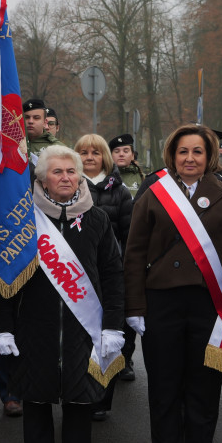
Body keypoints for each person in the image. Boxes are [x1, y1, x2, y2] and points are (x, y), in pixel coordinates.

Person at [124, 123, 222, 443]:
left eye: (197, 152)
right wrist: (134, 306)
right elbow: (133, 255)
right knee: (164, 392)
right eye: (183, 152)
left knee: (203, 392)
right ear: (172, 155)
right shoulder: (153, 195)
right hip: (161, 305)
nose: (190, 159)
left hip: (209, 308)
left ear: (209, 156)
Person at [0, 146, 125, 443]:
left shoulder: (97, 220)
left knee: (80, 404)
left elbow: (113, 275)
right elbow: (5, 278)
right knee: (35, 403)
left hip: (84, 331)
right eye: (57, 172)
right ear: (42, 180)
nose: (65, 177)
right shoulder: (22, 221)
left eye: (71, 171)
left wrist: (113, 325)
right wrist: (2, 326)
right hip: (34, 329)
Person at [75, 133, 135, 417]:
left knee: (107, 336)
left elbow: (129, 235)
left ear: (105, 157)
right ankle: (78, 392)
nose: (89, 157)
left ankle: (101, 398)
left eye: (95, 152)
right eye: (83, 152)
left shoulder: (121, 192)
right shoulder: (68, 187)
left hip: (109, 272)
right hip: (74, 272)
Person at [23, 98, 64, 163]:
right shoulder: (12, 144)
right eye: (27, 117)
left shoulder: (58, 148)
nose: (30, 121)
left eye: (36, 118)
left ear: (45, 122)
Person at [110, 133, 145, 198]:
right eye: (116, 151)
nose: (121, 154)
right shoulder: (104, 177)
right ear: (110, 155)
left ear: (132, 155)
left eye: (126, 151)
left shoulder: (144, 179)